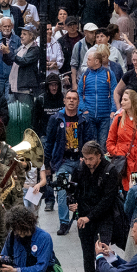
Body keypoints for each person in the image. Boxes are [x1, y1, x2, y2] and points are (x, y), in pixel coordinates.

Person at [69, 140, 120, 272]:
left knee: (101, 254)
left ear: (99, 155)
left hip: (103, 218)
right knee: (87, 255)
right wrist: (72, 204)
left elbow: (108, 200)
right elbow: (72, 191)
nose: (88, 162)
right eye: (85, 158)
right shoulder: (79, 168)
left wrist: (89, 216)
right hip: (84, 219)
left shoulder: (110, 171)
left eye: (91, 158)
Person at [44, 89, 93, 236]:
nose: (71, 101)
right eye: (68, 98)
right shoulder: (56, 119)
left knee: (85, 189)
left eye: (74, 99)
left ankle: (84, 218)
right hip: (63, 161)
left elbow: (90, 141)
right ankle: (64, 222)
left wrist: (86, 157)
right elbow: (49, 142)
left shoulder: (84, 120)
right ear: (64, 101)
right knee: (61, 190)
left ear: (78, 102)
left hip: (80, 161)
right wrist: (48, 163)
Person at [0, 206, 60, 272]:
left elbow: (41, 267)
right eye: (14, 229)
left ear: (27, 224)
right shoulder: (12, 236)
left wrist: (16, 271)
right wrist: (2, 260)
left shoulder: (44, 237)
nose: (16, 232)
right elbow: (6, 254)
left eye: (18, 228)